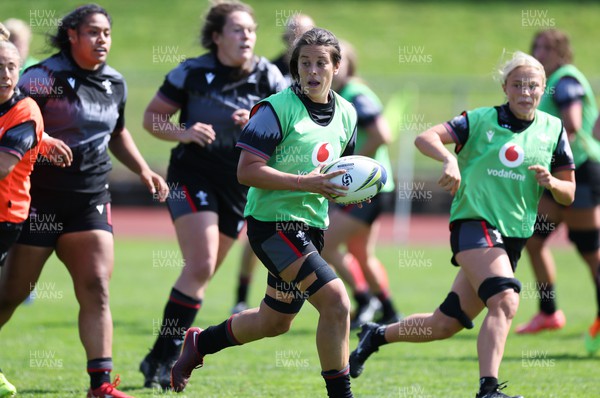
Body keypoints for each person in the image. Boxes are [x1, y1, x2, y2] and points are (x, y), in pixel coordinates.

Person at [349, 51, 575, 398]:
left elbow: (569, 194)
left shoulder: (553, 129)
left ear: (543, 89)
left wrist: (552, 184)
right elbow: (426, 137)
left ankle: (376, 335)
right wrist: (448, 158)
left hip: (512, 237)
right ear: (505, 87)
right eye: (517, 84)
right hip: (475, 224)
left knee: (443, 324)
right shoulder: (480, 120)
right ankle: (488, 390)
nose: (525, 92)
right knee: (505, 299)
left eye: (533, 86)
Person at [170, 27, 358, 397]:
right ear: (296, 67)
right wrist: (304, 183)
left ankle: (199, 343)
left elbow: (340, 174)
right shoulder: (275, 109)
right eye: (305, 63)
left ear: (337, 67)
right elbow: (247, 171)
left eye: (322, 62)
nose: (313, 70)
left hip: (311, 226)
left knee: (275, 321)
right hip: (273, 227)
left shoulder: (347, 114)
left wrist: (351, 194)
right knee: (336, 303)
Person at [0, 5, 169, 398]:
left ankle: (100, 385)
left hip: (90, 197)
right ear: (71, 35)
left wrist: (143, 169)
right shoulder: (40, 78)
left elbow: (118, 132)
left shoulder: (115, 82)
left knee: (96, 286)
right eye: (93, 32)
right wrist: (43, 143)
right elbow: (14, 119)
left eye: (107, 32)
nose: (102, 39)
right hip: (37, 201)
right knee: (11, 293)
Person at [140, 1, 286, 389]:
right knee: (201, 263)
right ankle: (169, 352)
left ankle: (158, 353)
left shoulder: (269, 76)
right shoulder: (191, 71)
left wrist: (257, 121)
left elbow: (292, 129)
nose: (246, 37)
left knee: (199, 275)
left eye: (251, 30)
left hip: (239, 186)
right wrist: (183, 132)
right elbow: (152, 117)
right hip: (192, 176)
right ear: (217, 36)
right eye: (237, 30)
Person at [516, 29, 600, 353]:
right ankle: (549, 313)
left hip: (581, 173)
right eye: (536, 46)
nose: (540, 51)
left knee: (590, 252)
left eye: (548, 47)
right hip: (557, 175)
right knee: (535, 241)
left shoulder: (565, 80)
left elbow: (573, 123)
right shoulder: (548, 83)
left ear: (562, 52)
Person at [231, 12, 314, 315]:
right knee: (257, 228)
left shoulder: (321, 70)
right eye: (296, 35)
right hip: (269, 162)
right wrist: (249, 117)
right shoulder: (273, 70)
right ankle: (241, 295)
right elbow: (263, 110)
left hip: (306, 167)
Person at [323, 39, 401, 329]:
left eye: (329, 62)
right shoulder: (340, 95)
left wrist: (350, 167)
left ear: (344, 66)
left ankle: (364, 298)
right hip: (372, 188)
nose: (323, 69)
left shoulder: (356, 94)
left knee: (324, 245)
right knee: (360, 254)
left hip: (369, 188)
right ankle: (389, 310)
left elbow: (382, 134)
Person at [0, 38, 44, 398]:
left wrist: (42, 139)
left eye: (12, 67)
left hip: (5, 217)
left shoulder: (25, 110)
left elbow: (3, 166)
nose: (5, 75)